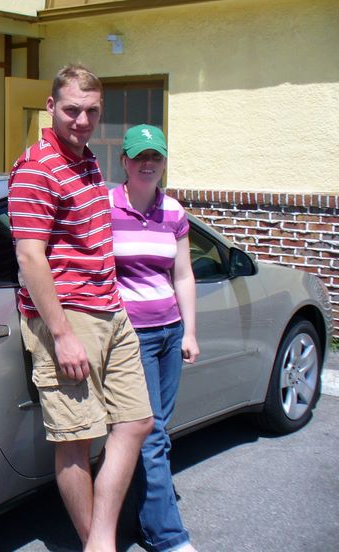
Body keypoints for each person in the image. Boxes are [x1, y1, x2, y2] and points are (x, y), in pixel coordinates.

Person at [8, 64, 154, 552]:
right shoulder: (36, 167)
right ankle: (100, 545)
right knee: (75, 442)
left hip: (110, 313)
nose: (82, 119)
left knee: (136, 423)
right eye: (72, 109)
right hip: (69, 319)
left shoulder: (88, 160)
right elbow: (30, 255)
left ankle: (100, 540)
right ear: (51, 107)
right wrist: (63, 333)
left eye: (92, 111)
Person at [109, 124, 200, 552]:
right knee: (151, 433)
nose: (149, 164)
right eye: (140, 156)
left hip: (168, 332)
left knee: (155, 431)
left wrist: (190, 331)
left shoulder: (174, 213)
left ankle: (147, 520)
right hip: (132, 337)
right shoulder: (104, 207)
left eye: (156, 157)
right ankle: (168, 536)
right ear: (124, 161)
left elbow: (182, 273)